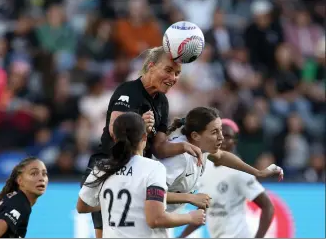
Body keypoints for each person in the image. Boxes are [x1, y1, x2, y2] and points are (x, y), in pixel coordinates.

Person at [81, 46, 203, 238]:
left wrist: (184, 146)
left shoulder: (162, 102)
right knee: (105, 233)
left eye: (178, 73)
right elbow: (115, 131)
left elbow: (160, 148)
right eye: (168, 70)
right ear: (151, 66)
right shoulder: (128, 91)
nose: (173, 78)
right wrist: (139, 123)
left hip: (138, 171)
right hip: (110, 167)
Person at [77, 112, 206, 238]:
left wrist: (113, 204)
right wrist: (190, 217)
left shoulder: (101, 167)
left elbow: (82, 206)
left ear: (115, 138)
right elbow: (155, 219)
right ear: (144, 137)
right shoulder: (153, 168)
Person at [162, 108, 283, 213]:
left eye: (220, 130)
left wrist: (258, 172)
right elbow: (148, 193)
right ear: (195, 136)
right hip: (148, 220)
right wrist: (189, 198)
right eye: (215, 132)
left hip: (162, 219)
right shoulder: (179, 157)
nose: (221, 137)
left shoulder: (201, 145)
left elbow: (221, 156)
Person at [180, 119, 276, 238]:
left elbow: (268, 206)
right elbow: (204, 209)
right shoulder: (204, 166)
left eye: (227, 136)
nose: (221, 139)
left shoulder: (240, 171)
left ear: (235, 141)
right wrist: (182, 236)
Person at [0, 157, 48, 238]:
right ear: (20, 180)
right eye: (34, 173)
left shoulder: (14, 198)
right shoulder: (20, 203)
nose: (41, 178)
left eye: (44, 174)